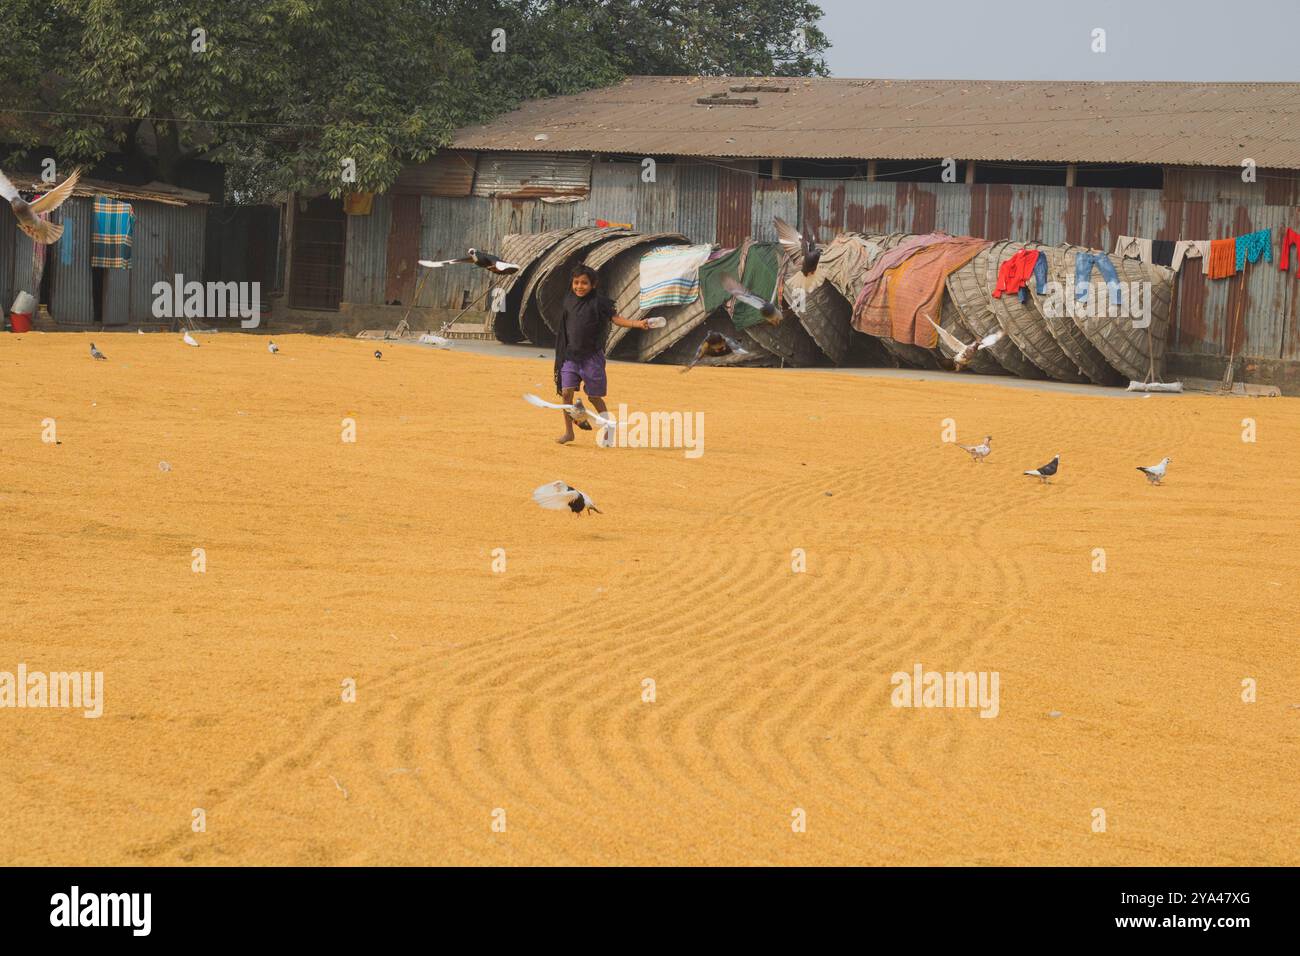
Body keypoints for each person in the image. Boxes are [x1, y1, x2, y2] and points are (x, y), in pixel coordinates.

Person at [553, 265, 650, 445]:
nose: (579, 286)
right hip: (570, 356)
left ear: (593, 284)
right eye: (576, 283)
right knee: (566, 394)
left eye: (584, 283)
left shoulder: (599, 303)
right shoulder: (568, 300)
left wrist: (637, 324)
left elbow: (616, 319)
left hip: (591, 358)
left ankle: (608, 426)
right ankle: (569, 433)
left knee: (594, 397)